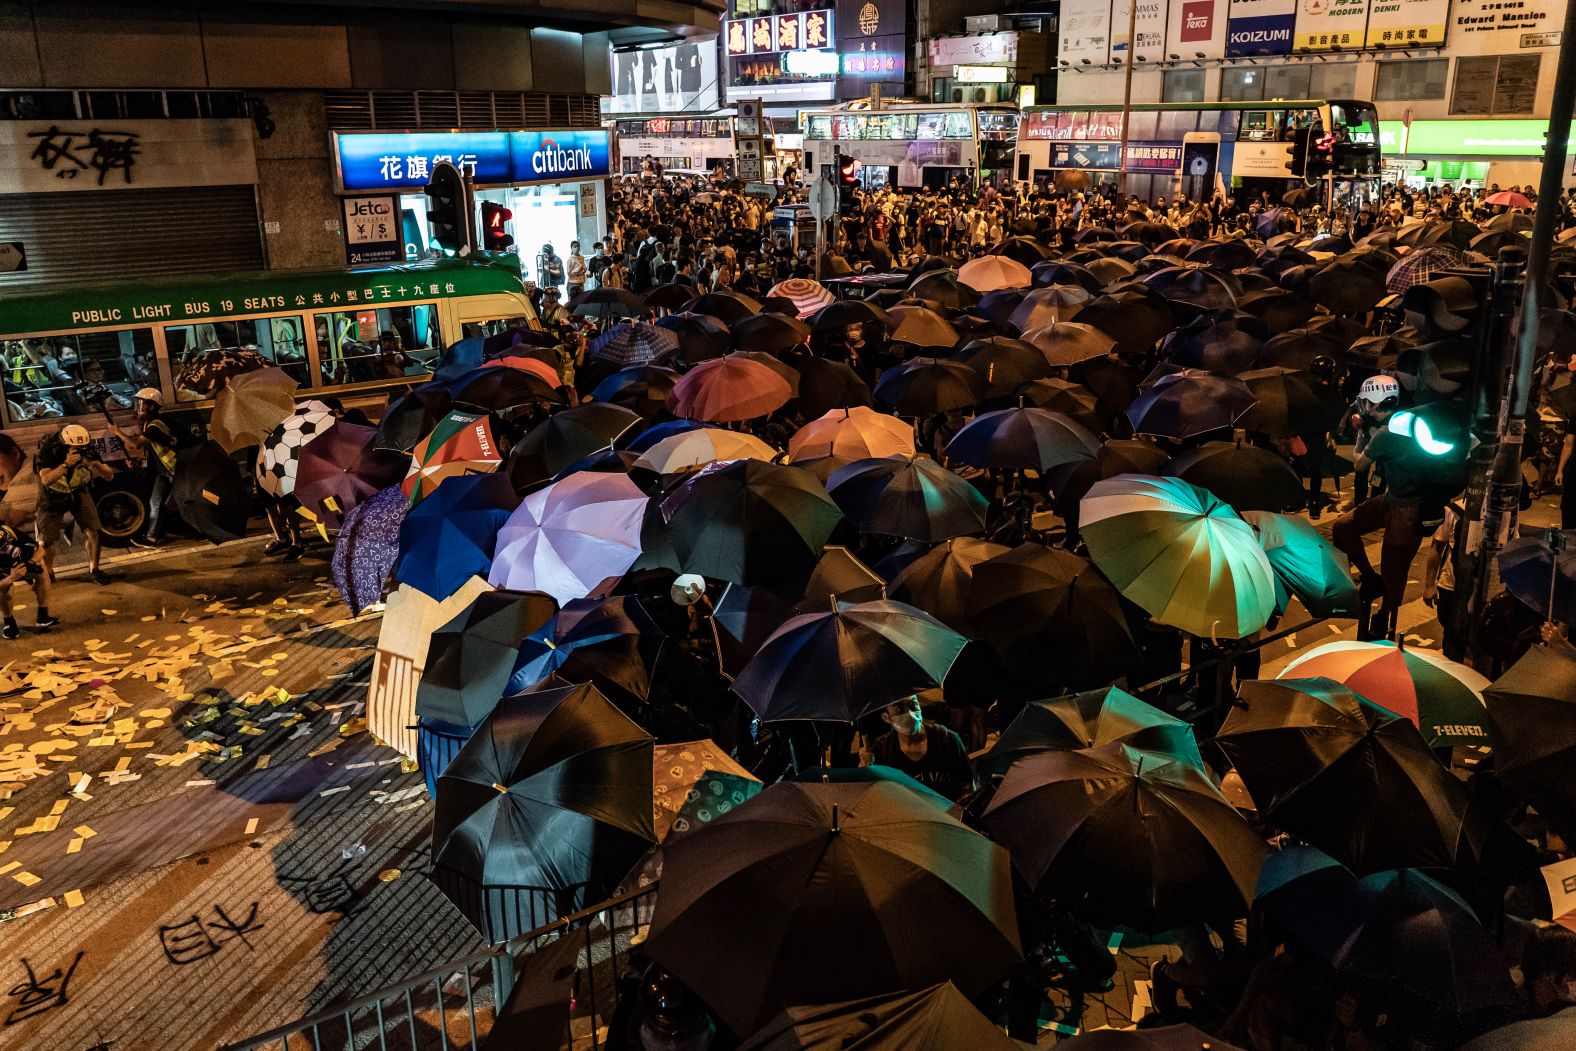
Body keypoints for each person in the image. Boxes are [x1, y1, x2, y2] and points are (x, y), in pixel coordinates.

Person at [1331, 376, 1430, 628]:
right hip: (1394, 497)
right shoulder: (1402, 422)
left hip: (1406, 508)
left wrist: (1362, 433)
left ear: (1375, 404)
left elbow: (1359, 463)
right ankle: (1372, 584)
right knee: (1343, 526)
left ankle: (1384, 619)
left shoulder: (1387, 432)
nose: (1362, 407)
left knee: (1393, 571)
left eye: (1365, 402)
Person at [33, 422, 115, 585]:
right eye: (75, 448)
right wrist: (66, 464)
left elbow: (109, 475)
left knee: (93, 531)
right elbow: (46, 480)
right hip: (51, 496)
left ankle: (95, 569)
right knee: (46, 540)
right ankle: (48, 572)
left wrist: (94, 464)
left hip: (77, 492)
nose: (80, 451)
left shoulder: (87, 451)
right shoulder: (49, 451)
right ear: (65, 444)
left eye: (83, 447)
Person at [867, 694, 974, 801]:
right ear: (886, 717)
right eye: (899, 709)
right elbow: (877, 795)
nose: (910, 714)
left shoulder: (947, 739)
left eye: (913, 705)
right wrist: (866, 770)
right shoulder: (883, 749)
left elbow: (967, 785)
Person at [109, 388, 178, 549]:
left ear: (152, 407)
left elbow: (135, 444)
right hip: (164, 471)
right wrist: (140, 462)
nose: (138, 407)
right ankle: (154, 536)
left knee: (175, 502)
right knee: (155, 502)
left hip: (175, 470)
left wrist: (116, 431)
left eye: (142, 404)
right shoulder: (149, 424)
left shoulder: (156, 425)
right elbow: (152, 451)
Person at [0, 519, 55, 638]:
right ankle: (9, 622)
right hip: (5, 575)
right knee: (5, 590)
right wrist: (10, 578)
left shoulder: (8, 531)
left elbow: (41, 550)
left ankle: (43, 615)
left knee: (42, 566)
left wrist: (31, 562)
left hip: (19, 566)